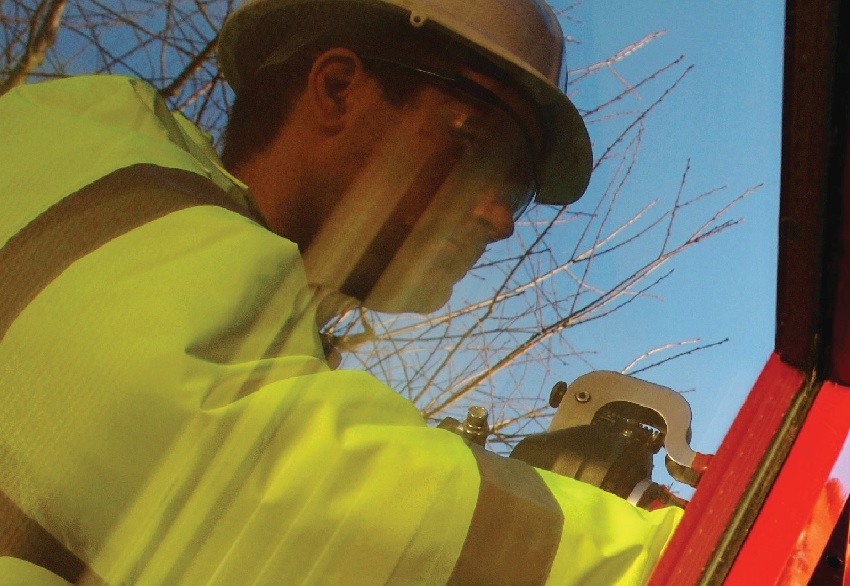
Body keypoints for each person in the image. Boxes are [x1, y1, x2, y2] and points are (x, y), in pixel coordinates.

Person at [0, 0, 682, 583]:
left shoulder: (227, 297)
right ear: (336, 89)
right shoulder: (66, 159)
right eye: (486, 150)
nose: (502, 220)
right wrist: (665, 550)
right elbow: (238, 465)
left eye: (519, 189)